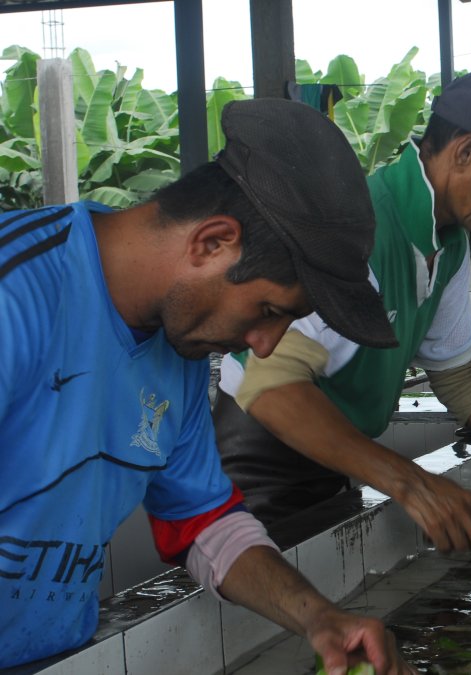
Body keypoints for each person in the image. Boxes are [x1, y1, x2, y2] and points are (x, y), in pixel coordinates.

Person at [0, 98, 409, 673]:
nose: (263, 346)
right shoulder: (15, 296)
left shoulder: (180, 360)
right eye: (269, 309)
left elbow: (203, 521)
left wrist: (318, 617)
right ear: (212, 241)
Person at [215, 67, 471, 551]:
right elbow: (269, 385)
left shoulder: (450, 244)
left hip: (335, 457)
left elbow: (463, 380)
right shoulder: (361, 229)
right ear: (465, 151)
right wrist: (411, 483)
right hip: (263, 464)